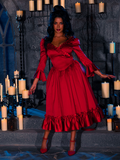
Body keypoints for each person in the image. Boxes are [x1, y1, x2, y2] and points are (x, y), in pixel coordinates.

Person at [29, 5, 115, 156]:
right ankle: (45, 138)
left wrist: (100, 74)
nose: (58, 26)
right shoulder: (46, 42)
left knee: (73, 108)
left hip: (72, 75)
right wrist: (35, 82)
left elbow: (83, 58)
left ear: (65, 24)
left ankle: (72, 141)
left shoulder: (71, 40)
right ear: (52, 24)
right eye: (55, 23)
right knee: (53, 108)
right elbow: (42, 63)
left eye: (61, 23)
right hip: (56, 77)